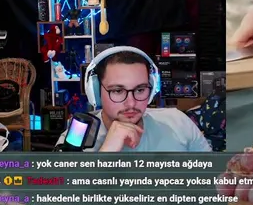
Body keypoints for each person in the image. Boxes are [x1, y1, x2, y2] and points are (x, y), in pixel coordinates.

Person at [73, 47, 213, 153]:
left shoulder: (177, 122)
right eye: (117, 91)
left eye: (140, 90)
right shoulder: (77, 136)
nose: (131, 103)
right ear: (96, 92)